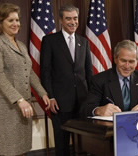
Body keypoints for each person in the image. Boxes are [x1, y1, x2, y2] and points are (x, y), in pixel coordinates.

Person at [0, 3, 50, 156]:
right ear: (0, 23)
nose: (15, 24)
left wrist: (43, 93)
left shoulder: (21, 44)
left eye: (17, 20)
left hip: (24, 103)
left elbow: (30, 73)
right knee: (10, 148)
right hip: (8, 104)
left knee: (22, 147)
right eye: (10, 20)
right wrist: (19, 100)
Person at [40, 4, 93, 156]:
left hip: (82, 102)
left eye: (75, 18)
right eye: (68, 18)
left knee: (83, 143)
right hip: (60, 102)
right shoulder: (50, 40)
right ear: (61, 20)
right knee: (62, 143)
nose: (73, 22)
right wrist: (50, 96)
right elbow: (46, 71)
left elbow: (88, 73)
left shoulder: (84, 42)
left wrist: (92, 99)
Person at [81, 40, 138, 117]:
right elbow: (85, 108)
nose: (127, 66)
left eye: (131, 62)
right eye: (123, 61)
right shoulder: (100, 80)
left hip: (134, 127)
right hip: (109, 129)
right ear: (115, 59)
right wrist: (98, 110)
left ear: (137, 62)